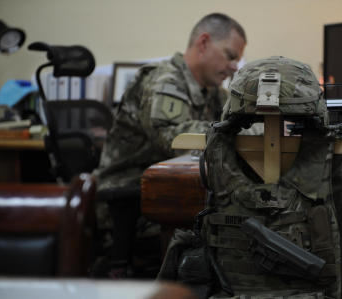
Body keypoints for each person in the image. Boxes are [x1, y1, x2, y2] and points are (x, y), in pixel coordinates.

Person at [93, 13, 247, 278]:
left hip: (172, 191)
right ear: (203, 43)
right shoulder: (164, 80)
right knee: (235, 232)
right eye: (230, 56)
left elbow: (235, 123)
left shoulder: (212, 90)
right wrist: (236, 133)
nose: (235, 66)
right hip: (133, 203)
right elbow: (173, 140)